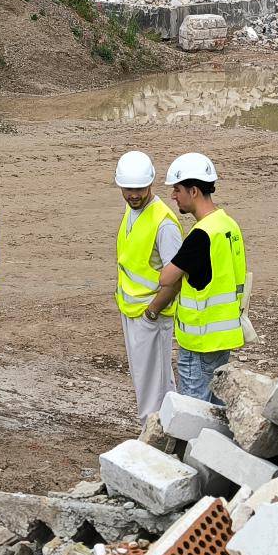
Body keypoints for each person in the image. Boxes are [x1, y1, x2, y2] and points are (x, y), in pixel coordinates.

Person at [144, 152, 248, 404]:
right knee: (216, 405)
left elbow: (167, 278)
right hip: (224, 335)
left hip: (200, 339)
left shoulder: (201, 234)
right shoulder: (228, 225)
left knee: (193, 409)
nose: (173, 195)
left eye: (177, 189)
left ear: (193, 191)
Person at [111, 150, 181, 420]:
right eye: (128, 189)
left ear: (151, 184)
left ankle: (152, 436)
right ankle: (165, 430)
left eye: (139, 189)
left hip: (151, 315)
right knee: (150, 381)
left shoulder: (164, 224)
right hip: (133, 311)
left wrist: (152, 312)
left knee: (155, 386)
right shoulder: (132, 212)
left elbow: (175, 278)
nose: (134, 195)